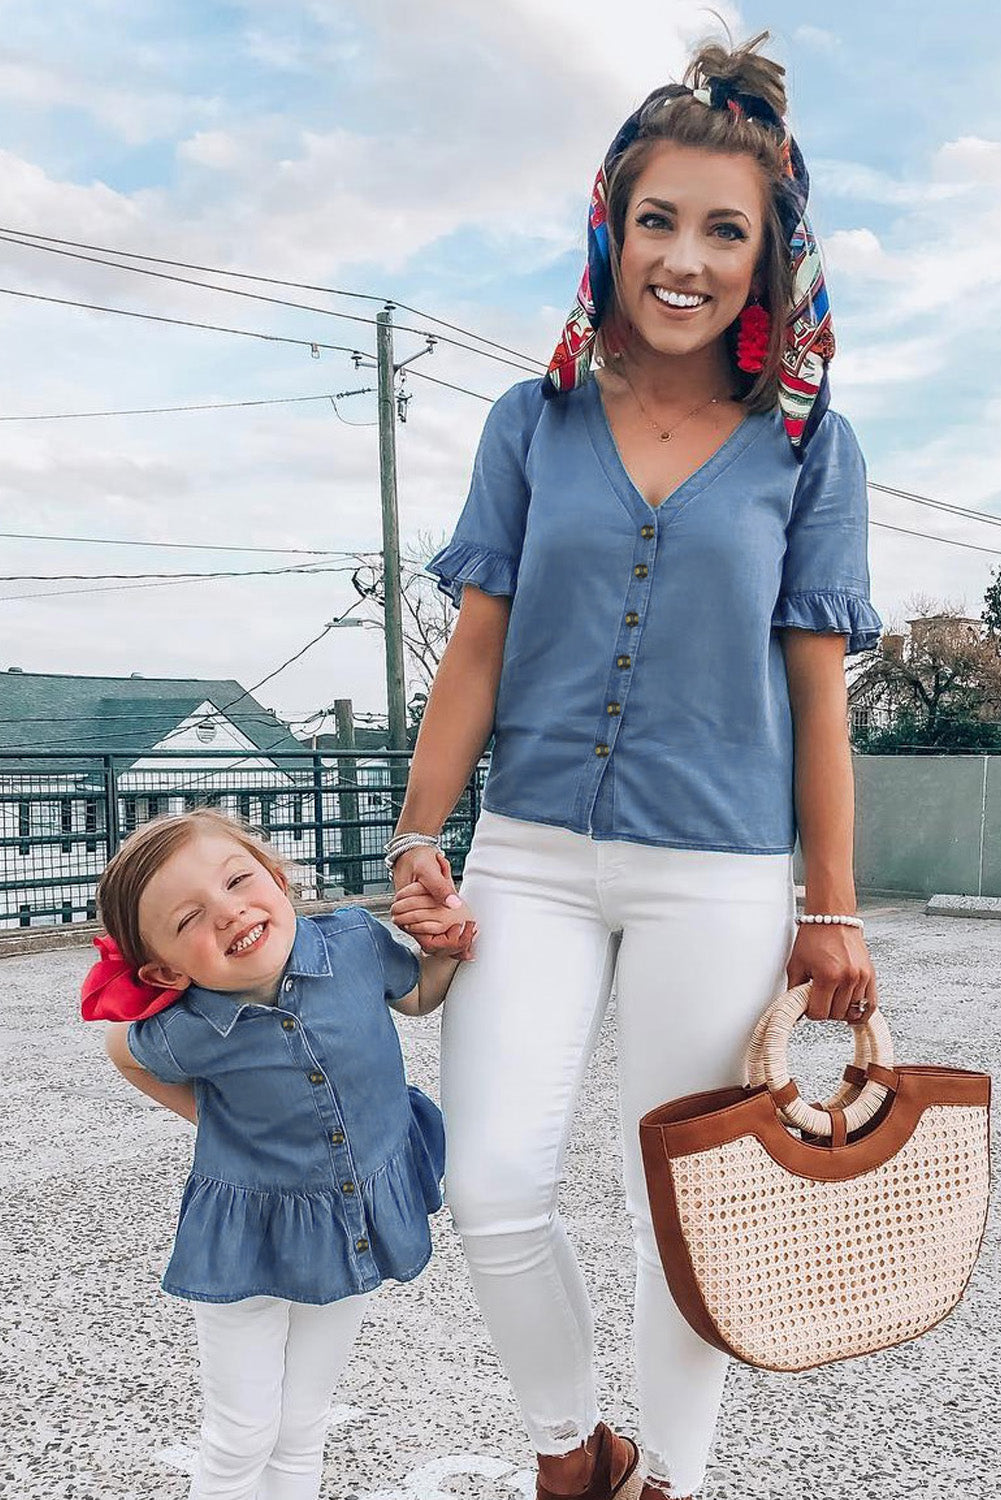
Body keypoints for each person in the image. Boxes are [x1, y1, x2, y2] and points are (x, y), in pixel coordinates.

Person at [387, 30, 883, 1500]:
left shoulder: (808, 446)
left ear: (768, 256)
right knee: (490, 1183)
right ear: (611, 229)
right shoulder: (527, 422)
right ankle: (568, 1446)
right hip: (526, 853)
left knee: (685, 1207)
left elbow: (817, 692)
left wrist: (833, 906)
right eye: (658, 219)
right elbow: (471, 656)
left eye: (723, 230)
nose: (686, 256)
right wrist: (423, 838)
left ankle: (666, 1475)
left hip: (718, 874)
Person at [81, 807, 470, 1500]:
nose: (228, 913)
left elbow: (417, 994)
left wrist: (448, 946)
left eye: (238, 880)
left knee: (301, 1427)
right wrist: (211, 1121)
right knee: (240, 1439)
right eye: (189, 918)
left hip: (348, 1221)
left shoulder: (353, 943)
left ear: (278, 878)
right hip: (241, 1244)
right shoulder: (184, 1029)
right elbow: (123, 1051)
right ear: (164, 972)